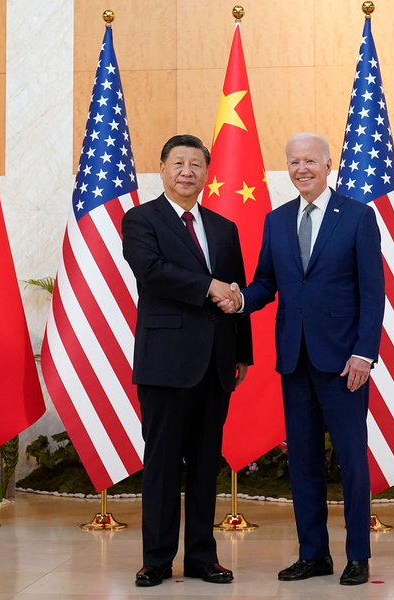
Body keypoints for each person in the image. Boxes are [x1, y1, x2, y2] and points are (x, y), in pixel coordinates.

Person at [215, 132, 384, 585]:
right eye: (293, 162)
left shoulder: (358, 217)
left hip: (345, 363)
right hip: (295, 361)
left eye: (310, 160)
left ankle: (357, 555)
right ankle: (314, 554)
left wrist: (364, 354)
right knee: (304, 462)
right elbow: (266, 282)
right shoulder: (276, 220)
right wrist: (240, 300)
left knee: (351, 461)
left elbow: (373, 292)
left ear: (329, 165)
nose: (301, 169)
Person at [122, 134, 252, 587]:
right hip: (165, 362)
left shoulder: (223, 228)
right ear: (161, 169)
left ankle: (202, 556)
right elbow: (151, 272)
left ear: (205, 173)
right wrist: (207, 286)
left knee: (203, 463)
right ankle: (156, 559)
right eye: (178, 163)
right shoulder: (141, 219)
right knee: (161, 464)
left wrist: (242, 353)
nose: (187, 172)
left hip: (217, 362)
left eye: (195, 164)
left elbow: (238, 294)